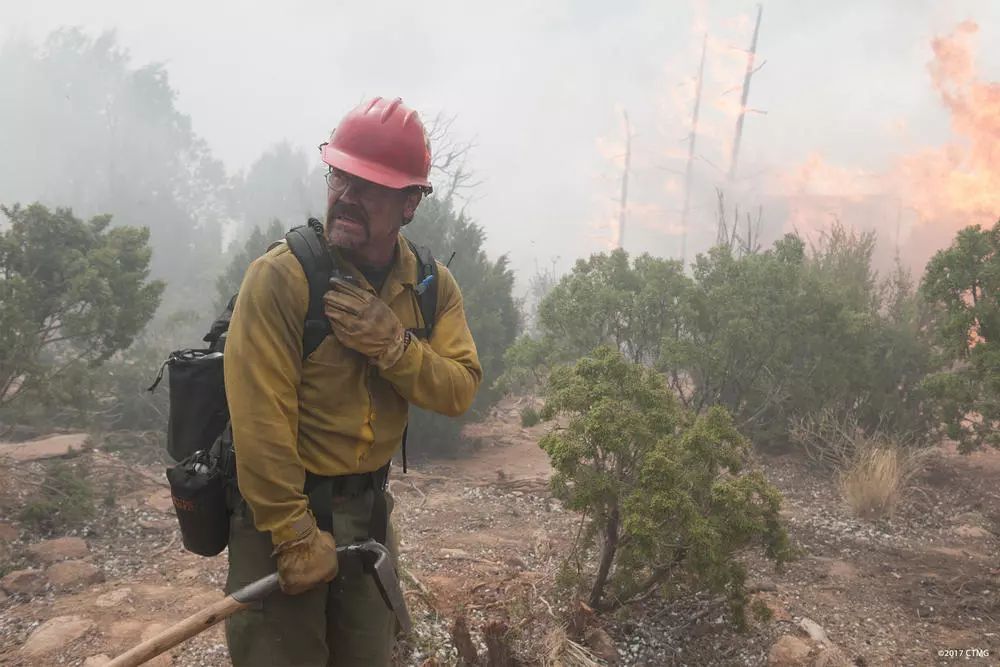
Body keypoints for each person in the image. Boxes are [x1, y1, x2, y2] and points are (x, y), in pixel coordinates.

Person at [222, 96, 482, 666]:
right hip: (278, 515)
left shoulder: (431, 287)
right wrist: (291, 535)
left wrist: (395, 347)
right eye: (341, 176)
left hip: (366, 518)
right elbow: (259, 422)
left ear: (410, 202)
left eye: (371, 186)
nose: (347, 196)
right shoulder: (281, 279)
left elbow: (458, 387)